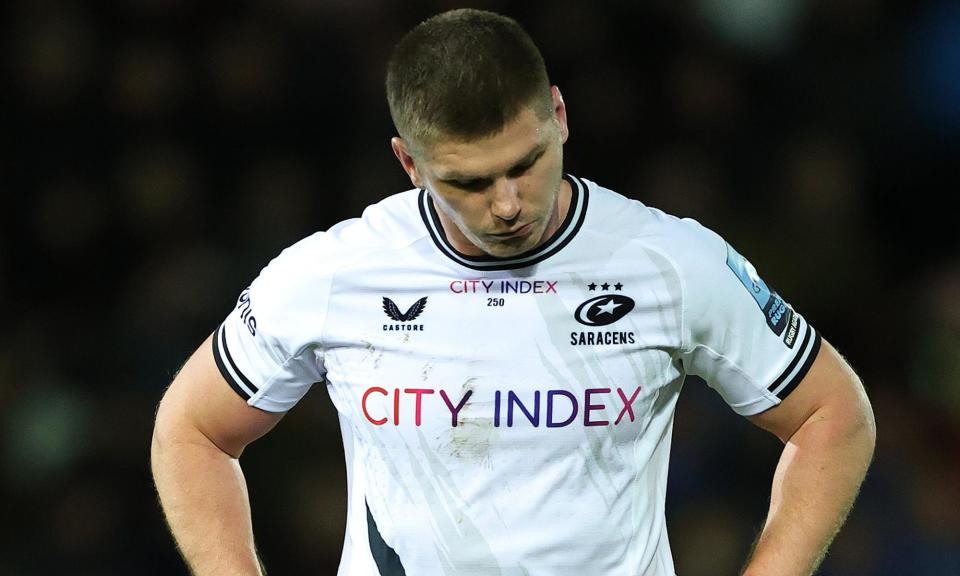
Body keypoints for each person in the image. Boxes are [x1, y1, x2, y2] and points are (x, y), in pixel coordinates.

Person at [151, 8, 876, 576]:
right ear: (410, 162)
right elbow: (191, 431)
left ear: (558, 115)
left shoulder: (670, 263)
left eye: (527, 163)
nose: (507, 203)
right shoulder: (334, 275)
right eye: (469, 181)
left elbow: (833, 415)